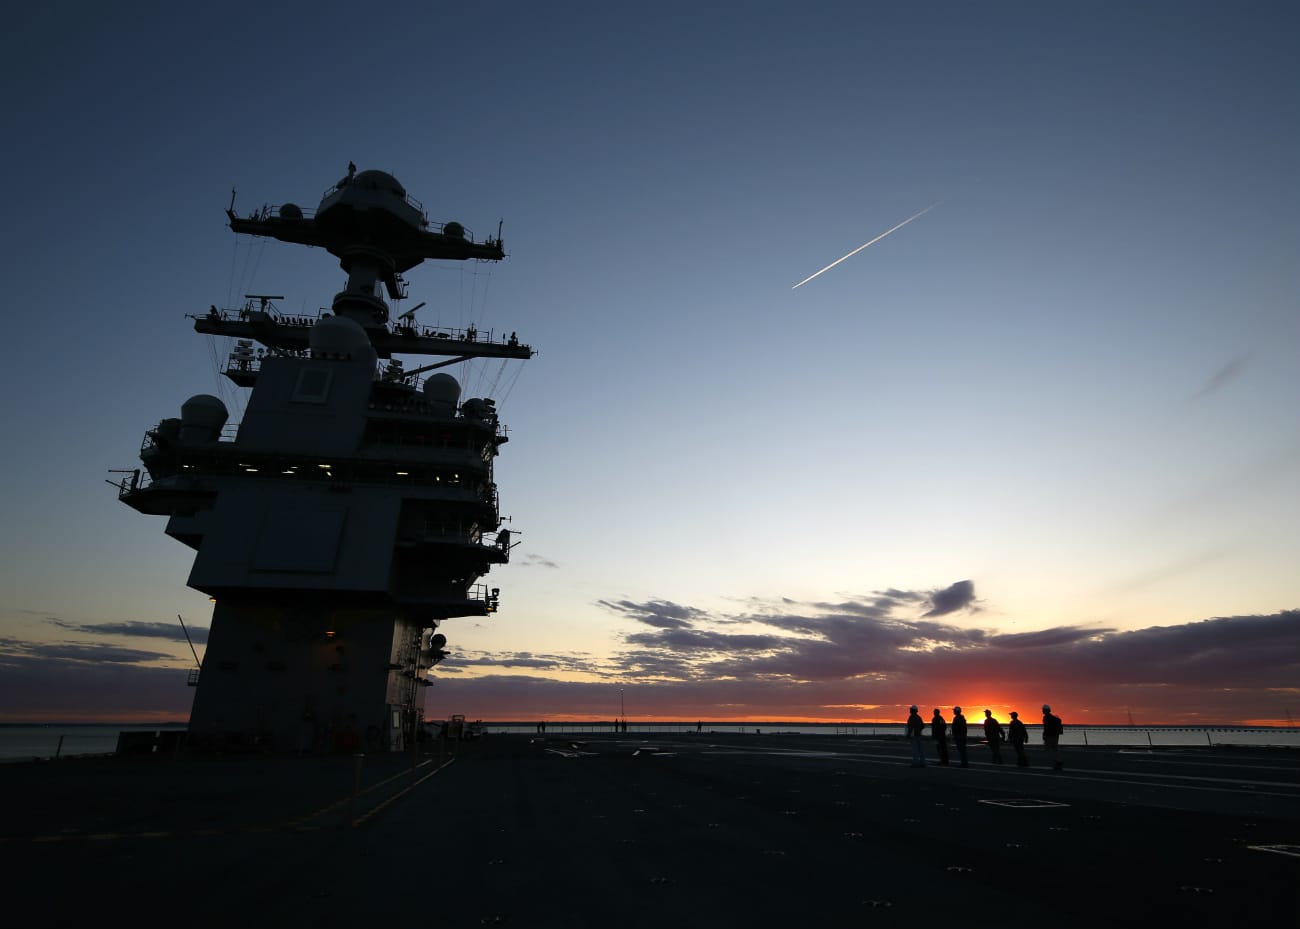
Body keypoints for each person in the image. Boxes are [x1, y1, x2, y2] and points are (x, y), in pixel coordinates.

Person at [1042, 704, 1064, 769]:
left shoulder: (1046, 717)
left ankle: (1058, 761)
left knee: (1051, 749)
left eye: (1043, 710)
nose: (1042, 711)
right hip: (1055, 735)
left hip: (1050, 735)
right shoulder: (1052, 717)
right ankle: (1058, 761)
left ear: (1046, 710)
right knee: (1054, 748)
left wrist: (1044, 735)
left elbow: (1046, 728)